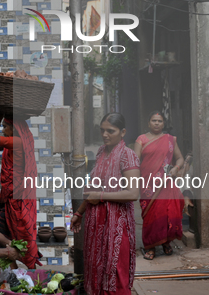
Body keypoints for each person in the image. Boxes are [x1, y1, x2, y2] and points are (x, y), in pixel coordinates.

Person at [70, 113, 140, 295]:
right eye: (102, 130)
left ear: (123, 132)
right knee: (96, 269)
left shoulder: (127, 155)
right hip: (96, 224)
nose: (105, 134)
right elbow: (92, 189)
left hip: (117, 226)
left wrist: (101, 196)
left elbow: (133, 193)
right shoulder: (102, 151)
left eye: (111, 131)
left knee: (115, 272)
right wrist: (79, 213)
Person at [0, 103, 41, 269]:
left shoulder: (17, 141)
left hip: (16, 200)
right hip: (10, 198)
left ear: (14, 129)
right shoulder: (15, 140)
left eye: (4, 127)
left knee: (14, 235)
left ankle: (26, 271)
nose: (2, 129)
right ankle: (14, 271)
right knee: (3, 234)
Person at [134, 111, 185, 260]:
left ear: (164, 124)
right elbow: (135, 162)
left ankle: (165, 242)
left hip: (166, 182)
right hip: (147, 183)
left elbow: (180, 158)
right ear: (148, 123)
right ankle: (150, 246)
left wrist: (176, 168)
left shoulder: (170, 140)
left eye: (160, 121)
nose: (157, 123)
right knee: (151, 216)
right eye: (154, 120)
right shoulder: (141, 139)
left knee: (168, 214)